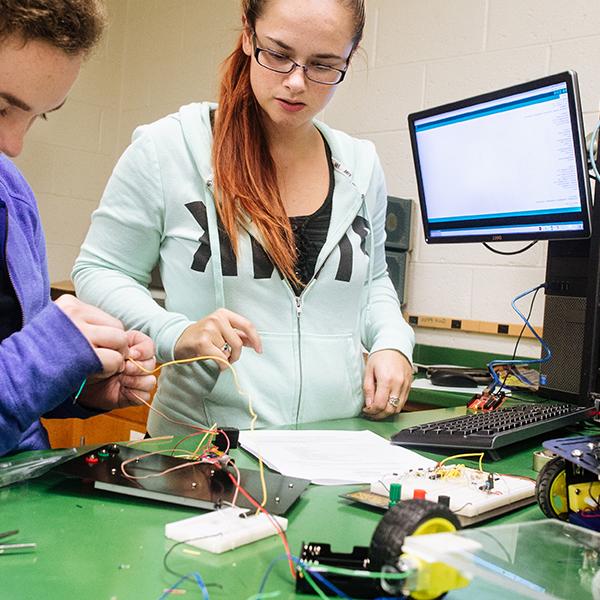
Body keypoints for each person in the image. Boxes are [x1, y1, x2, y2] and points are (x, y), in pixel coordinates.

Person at [73, 0, 415, 438]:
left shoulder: (361, 166)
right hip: (203, 449)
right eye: (277, 54)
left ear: (350, 56)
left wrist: (392, 343)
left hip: (335, 446)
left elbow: (374, 284)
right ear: (248, 34)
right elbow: (100, 271)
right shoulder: (170, 148)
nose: (296, 82)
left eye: (324, 65)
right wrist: (173, 332)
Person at [0, 0, 156, 456]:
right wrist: (41, 360)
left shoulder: (12, 196)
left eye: (39, 115)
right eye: (1, 107)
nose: (14, 145)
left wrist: (73, 385)